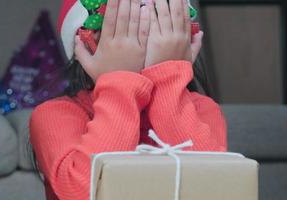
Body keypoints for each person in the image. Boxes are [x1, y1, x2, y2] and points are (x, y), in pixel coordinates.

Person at [29, 0, 227, 199]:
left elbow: (218, 190)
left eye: (158, 26)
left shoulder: (203, 110)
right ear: (87, 44)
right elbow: (84, 192)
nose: (141, 40)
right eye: (123, 29)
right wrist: (119, 79)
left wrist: (168, 80)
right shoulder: (55, 115)